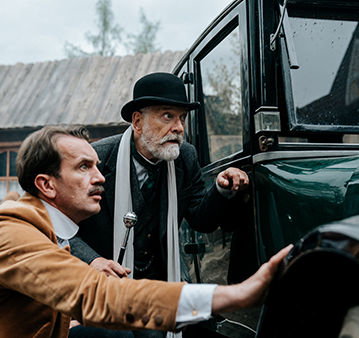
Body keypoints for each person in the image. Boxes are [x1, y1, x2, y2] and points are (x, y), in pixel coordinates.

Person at [0, 124, 292, 338]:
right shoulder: (9, 228)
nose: (100, 177)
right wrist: (234, 295)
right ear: (47, 185)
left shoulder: (50, 230)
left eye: (98, 165)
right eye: (83, 167)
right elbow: (94, 296)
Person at [68, 73, 250, 337]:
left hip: (161, 283)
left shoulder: (185, 157)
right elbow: (61, 228)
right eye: (167, 116)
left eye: (182, 118)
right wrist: (94, 261)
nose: (178, 127)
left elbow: (201, 220)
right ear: (138, 121)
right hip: (103, 290)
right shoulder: (97, 159)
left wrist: (221, 189)